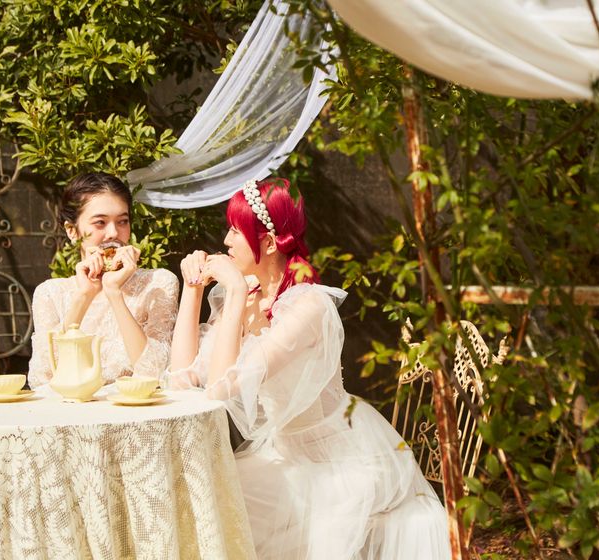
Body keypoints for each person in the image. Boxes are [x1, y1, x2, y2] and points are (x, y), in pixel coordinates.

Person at [166, 178, 449, 559]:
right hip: (286, 456)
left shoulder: (308, 307)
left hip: (340, 461)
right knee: (209, 497)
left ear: (268, 242)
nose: (226, 240)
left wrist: (234, 292)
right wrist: (193, 290)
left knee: (232, 507)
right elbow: (183, 376)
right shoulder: (248, 298)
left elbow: (221, 388)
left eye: (235, 229)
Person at [28, 172, 179, 388]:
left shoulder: (158, 284)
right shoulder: (50, 294)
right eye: (100, 222)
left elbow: (154, 374)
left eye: (123, 221)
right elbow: (43, 379)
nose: (113, 233)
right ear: (72, 231)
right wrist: (84, 297)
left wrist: (114, 293)